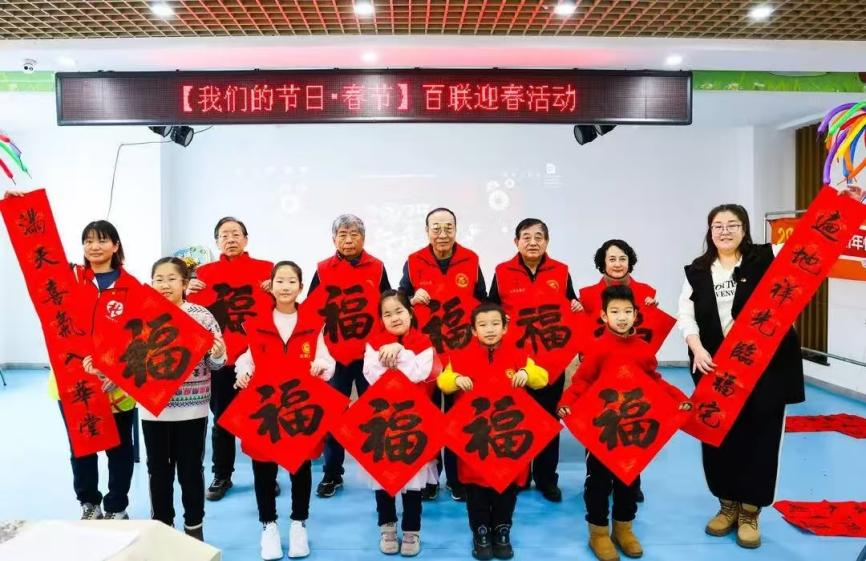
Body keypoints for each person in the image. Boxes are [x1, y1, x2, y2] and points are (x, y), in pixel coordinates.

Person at [677, 204, 805, 549]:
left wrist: (843, 199)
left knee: (761, 439)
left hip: (765, 371)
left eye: (732, 224)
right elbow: (686, 316)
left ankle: (750, 511)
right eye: (717, 225)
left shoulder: (767, 257)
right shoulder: (697, 270)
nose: (725, 231)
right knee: (718, 438)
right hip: (716, 369)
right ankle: (727, 505)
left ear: (744, 229)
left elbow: (811, 243)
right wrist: (697, 348)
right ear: (710, 231)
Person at [559, 285, 691, 561]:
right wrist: (567, 401)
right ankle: (598, 533)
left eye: (627, 311)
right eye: (615, 311)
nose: (622, 317)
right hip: (603, 429)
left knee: (629, 481)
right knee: (598, 481)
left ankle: (624, 529)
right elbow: (582, 381)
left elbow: (654, 381)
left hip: (633, 429)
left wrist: (677, 397)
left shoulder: (643, 349)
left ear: (635, 315)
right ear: (604, 316)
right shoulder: (597, 348)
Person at [234, 261, 336, 560]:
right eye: (280, 281)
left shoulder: (314, 323)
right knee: (263, 467)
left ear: (301, 287)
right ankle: (268, 526)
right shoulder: (256, 322)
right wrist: (243, 372)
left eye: (292, 281)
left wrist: (321, 366)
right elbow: (247, 358)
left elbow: (326, 359)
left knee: (300, 467)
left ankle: (298, 524)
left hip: (299, 407)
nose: (286, 286)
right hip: (265, 408)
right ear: (271, 285)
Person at [438, 301, 548, 560]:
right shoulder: (460, 356)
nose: (490, 329)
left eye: (495, 324)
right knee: (476, 491)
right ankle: (481, 533)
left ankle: (502, 530)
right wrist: (456, 379)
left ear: (505, 327)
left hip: (508, 440)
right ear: (473, 330)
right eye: (483, 325)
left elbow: (542, 377)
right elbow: (443, 381)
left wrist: (527, 373)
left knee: (507, 489)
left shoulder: (519, 355)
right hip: (476, 439)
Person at [488, 218, 580, 502]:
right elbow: (490, 309)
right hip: (513, 360)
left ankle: (546, 479)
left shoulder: (560, 271)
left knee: (547, 420)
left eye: (539, 237)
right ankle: (516, 476)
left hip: (550, 359)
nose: (532, 242)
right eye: (526, 237)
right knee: (514, 417)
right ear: (516, 242)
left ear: (547, 242)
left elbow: (571, 304)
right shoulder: (502, 272)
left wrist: (576, 305)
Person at [399, 207, 487, 501]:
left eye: (448, 227)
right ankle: (430, 477)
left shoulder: (471, 259)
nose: (442, 234)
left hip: (461, 352)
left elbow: (483, 301)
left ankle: (457, 478)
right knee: (427, 416)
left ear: (456, 229)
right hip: (426, 354)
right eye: (436, 228)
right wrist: (412, 299)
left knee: (458, 415)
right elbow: (399, 300)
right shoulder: (414, 261)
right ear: (427, 231)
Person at [187, 216, 273, 501]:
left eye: (236, 234)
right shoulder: (203, 274)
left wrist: (276, 286)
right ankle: (222, 475)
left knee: (262, 418)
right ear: (216, 242)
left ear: (246, 239)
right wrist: (187, 290)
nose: (231, 239)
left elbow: (287, 300)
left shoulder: (266, 270)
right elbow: (187, 313)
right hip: (221, 358)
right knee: (222, 419)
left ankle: (267, 475)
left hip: (258, 357)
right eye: (224, 235)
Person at [144, 257, 226, 541]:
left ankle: (194, 527)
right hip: (152, 408)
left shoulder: (201, 316)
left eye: (171, 279)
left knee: (190, 469)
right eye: (159, 279)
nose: (165, 285)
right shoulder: (143, 314)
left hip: (192, 407)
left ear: (185, 284)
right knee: (157, 470)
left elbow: (216, 363)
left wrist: (217, 354)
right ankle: (162, 527)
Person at [309, 214, 391, 498]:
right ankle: (332, 474)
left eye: (354, 234)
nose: (348, 239)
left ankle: (379, 469)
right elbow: (311, 312)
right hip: (335, 356)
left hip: (370, 355)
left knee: (375, 414)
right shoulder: (322, 269)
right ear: (333, 239)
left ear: (363, 238)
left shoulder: (377, 267)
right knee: (334, 416)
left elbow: (388, 307)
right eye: (342, 234)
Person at [577, 238, 658, 504]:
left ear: (629, 261)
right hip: (600, 370)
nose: (617, 264)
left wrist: (653, 309)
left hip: (633, 372)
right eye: (611, 259)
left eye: (622, 258)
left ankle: (632, 481)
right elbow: (580, 329)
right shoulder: (587, 295)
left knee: (633, 424)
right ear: (602, 262)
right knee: (599, 424)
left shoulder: (646, 293)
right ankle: (595, 477)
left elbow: (651, 331)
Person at [361, 290, 440, 557]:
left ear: (411, 312)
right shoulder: (373, 344)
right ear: (381, 319)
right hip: (382, 421)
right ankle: (387, 527)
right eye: (387, 314)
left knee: (413, 478)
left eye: (399, 311)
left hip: (414, 421)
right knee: (382, 476)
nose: (394, 318)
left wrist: (400, 351)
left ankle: (411, 530)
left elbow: (418, 372)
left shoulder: (424, 342)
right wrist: (391, 352)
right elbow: (372, 374)